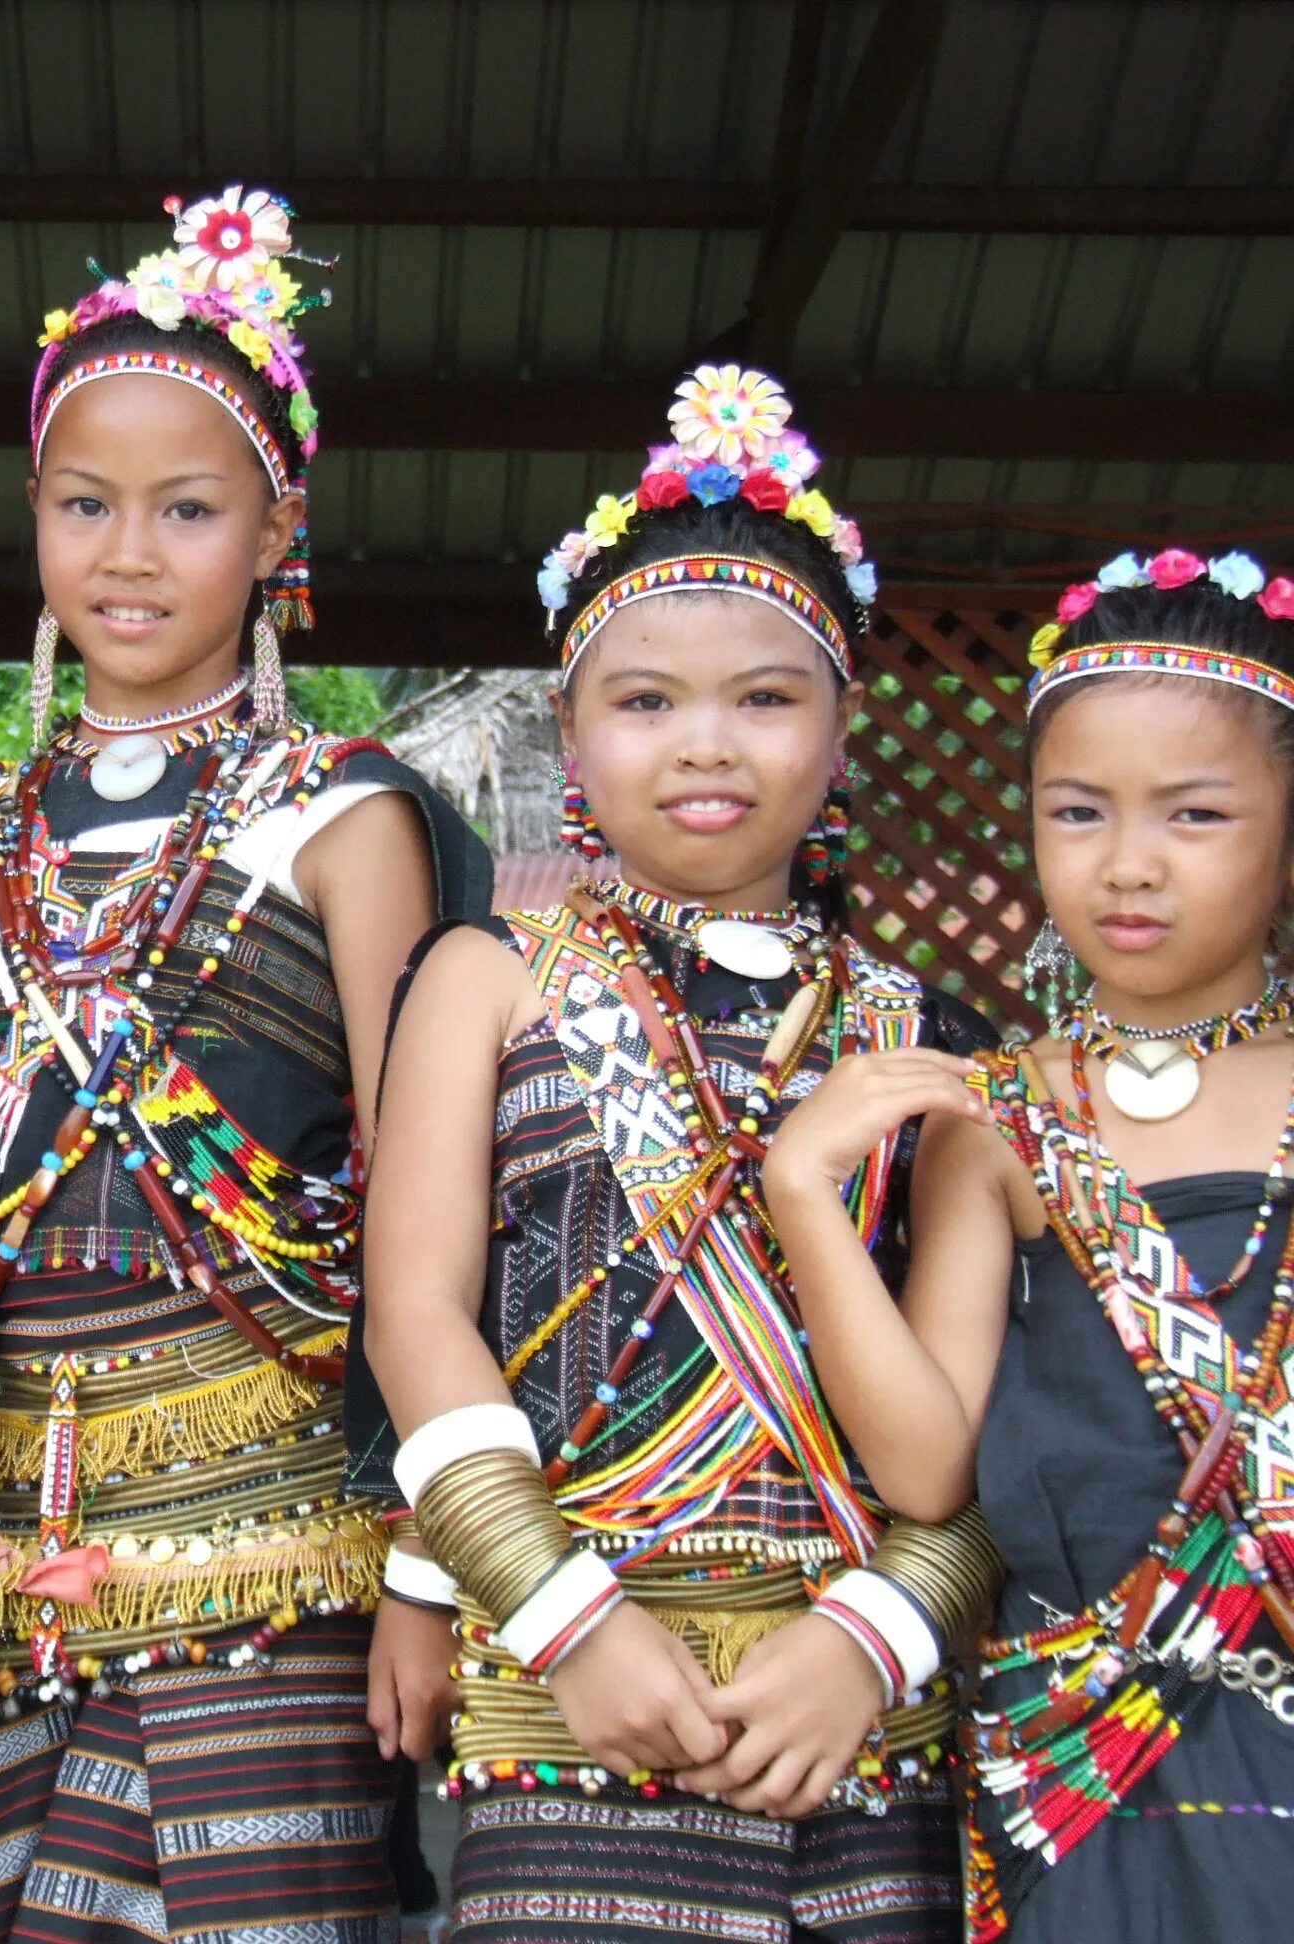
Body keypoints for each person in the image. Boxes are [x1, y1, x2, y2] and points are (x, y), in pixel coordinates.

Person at [353, 369, 1001, 1943]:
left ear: (846, 731)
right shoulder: (486, 975)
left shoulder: (933, 1038)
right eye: (644, 701)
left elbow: (1000, 1401)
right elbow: (417, 1315)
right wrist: (561, 1617)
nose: (703, 745)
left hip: (850, 1725)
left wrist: (879, 1634)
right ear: (567, 730)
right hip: (575, 1690)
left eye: (767, 698)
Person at [0, 186, 491, 1943]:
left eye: (189, 509)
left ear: (278, 531)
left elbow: (428, 1196)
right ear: (33, 517)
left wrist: (425, 1566)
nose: (129, 553)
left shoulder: (344, 816)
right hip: (4, 1525)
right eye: (87, 506)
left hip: (283, 1532)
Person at [765, 547, 1294, 1939]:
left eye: (1196, 813)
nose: (1128, 864)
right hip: (1082, 1779)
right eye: (1078, 811)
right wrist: (806, 1195)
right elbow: (929, 1464)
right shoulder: (997, 1120)